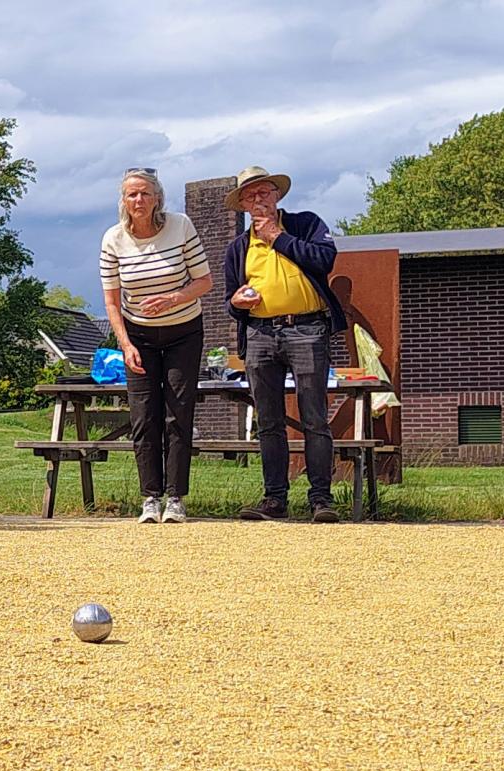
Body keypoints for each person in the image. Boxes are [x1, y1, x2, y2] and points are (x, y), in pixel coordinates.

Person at [220, 166, 348, 523]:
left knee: (314, 418)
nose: (258, 199)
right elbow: (229, 300)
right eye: (251, 195)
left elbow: (325, 260)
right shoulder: (238, 247)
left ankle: (321, 498)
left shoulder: (305, 224)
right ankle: (275, 498)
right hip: (260, 334)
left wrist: (277, 236)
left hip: (308, 329)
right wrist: (238, 302)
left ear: (277, 195)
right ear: (243, 204)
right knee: (269, 421)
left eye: (264, 192)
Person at [99, 168, 214, 524]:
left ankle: (176, 497)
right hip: (140, 337)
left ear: (157, 198)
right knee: (143, 416)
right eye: (132, 194)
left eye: (145, 194)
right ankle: (150, 497)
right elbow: (112, 302)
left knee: (178, 413)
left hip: (183, 331)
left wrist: (172, 298)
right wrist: (125, 344)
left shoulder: (180, 226)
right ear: (123, 200)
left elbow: (205, 281)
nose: (139, 201)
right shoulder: (113, 239)